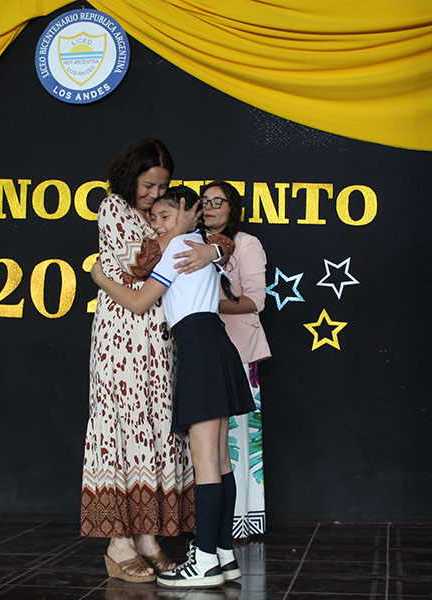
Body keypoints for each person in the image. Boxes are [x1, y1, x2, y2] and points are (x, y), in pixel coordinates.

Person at [92, 186, 255, 588]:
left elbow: (139, 301)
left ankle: (203, 561)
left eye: (165, 216)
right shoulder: (200, 246)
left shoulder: (180, 248)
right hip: (216, 346)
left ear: (187, 214)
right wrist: (207, 244)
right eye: (153, 219)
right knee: (220, 460)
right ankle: (223, 554)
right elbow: (219, 251)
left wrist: (99, 278)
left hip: (199, 352)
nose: (157, 225)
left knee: (206, 461)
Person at [201, 181, 271, 538]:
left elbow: (255, 300)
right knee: (206, 439)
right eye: (205, 201)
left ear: (233, 208)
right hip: (200, 351)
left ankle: (241, 519)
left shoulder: (246, 244)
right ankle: (208, 522)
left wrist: (206, 305)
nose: (210, 207)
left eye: (219, 201)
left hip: (239, 351)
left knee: (238, 439)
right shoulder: (191, 244)